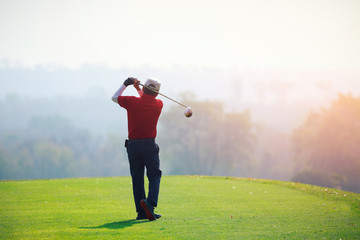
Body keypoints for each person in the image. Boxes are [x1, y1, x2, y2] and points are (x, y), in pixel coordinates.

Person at [111, 77, 163, 221]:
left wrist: (125, 84)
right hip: (149, 145)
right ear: (157, 94)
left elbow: (114, 97)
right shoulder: (159, 104)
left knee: (137, 178)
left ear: (144, 88)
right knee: (154, 175)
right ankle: (150, 205)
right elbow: (147, 99)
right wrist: (138, 89)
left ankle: (142, 213)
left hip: (133, 146)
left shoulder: (133, 102)